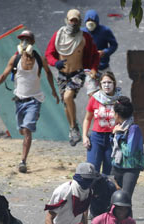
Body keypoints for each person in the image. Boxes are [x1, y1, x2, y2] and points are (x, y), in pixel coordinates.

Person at [0, 30, 59, 173]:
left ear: (32, 43)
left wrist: (53, 91)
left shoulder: (39, 59)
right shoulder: (15, 59)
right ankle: (29, 120)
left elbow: (49, 73)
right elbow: (4, 74)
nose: (24, 43)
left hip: (34, 100)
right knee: (21, 130)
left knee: (27, 130)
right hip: (19, 100)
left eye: (27, 39)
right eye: (22, 40)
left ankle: (23, 161)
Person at [45, 8, 100, 146]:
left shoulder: (84, 37)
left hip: (78, 73)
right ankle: (72, 128)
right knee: (66, 103)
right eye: (71, 20)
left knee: (68, 97)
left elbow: (94, 55)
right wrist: (55, 62)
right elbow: (49, 54)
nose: (73, 23)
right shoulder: (58, 36)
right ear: (67, 20)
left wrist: (93, 69)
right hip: (63, 74)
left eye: (76, 20)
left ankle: (76, 127)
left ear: (80, 21)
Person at [82, 71, 121, 174]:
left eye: (109, 82)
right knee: (92, 170)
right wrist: (85, 136)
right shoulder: (95, 98)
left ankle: (106, 190)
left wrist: (120, 129)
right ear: (100, 84)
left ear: (114, 83)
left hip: (113, 139)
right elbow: (87, 119)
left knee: (109, 171)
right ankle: (93, 190)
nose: (107, 85)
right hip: (96, 138)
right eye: (104, 83)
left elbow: (127, 119)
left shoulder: (120, 100)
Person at [110, 96, 144, 196]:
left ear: (117, 114)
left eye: (113, 112)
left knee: (124, 198)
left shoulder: (134, 129)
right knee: (112, 195)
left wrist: (119, 136)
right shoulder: (118, 127)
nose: (113, 115)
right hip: (116, 166)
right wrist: (113, 135)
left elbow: (128, 152)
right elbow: (114, 147)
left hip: (130, 168)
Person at [82, 9, 118, 96]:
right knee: (92, 94)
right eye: (88, 20)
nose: (90, 23)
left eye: (93, 20)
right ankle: (93, 109)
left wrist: (105, 52)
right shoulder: (82, 33)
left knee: (110, 92)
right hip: (89, 70)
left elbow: (114, 45)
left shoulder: (105, 31)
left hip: (103, 67)